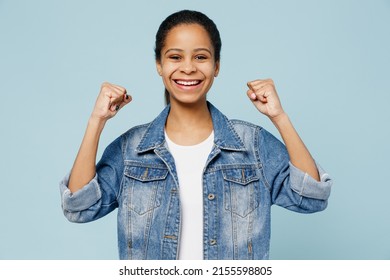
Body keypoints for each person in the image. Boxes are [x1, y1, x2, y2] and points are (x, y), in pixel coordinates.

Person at [60, 10, 332, 260]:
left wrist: (279, 117)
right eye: (175, 57)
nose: (188, 68)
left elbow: (311, 197)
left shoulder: (253, 144)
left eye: (200, 57)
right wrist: (97, 120)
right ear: (159, 64)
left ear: (216, 66)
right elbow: (79, 207)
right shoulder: (131, 149)